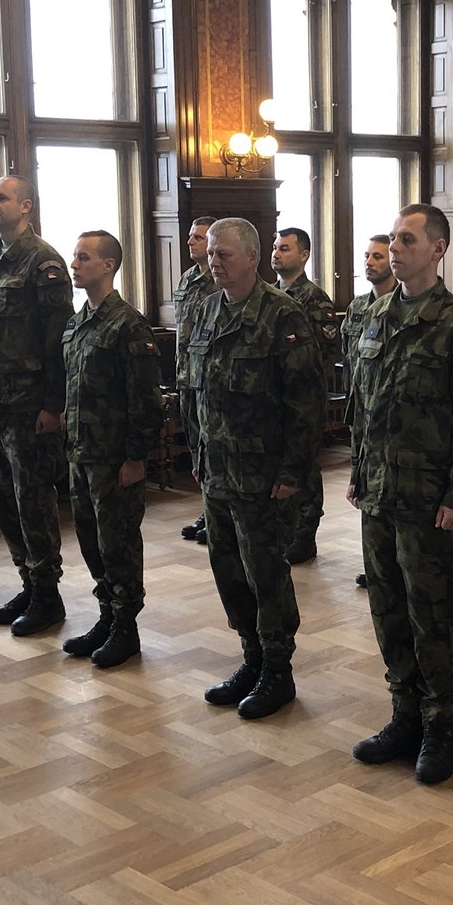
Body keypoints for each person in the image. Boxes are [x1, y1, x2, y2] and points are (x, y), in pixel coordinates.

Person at [347, 203, 453, 785]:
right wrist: (359, 470)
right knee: (387, 610)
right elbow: (363, 406)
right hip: (380, 495)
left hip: (430, 500)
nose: (395, 248)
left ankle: (441, 726)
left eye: (407, 240)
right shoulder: (375, 316)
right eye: (392, 239)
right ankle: (404, 715)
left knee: (431, 615)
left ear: (438, 248)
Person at [182, 218, 324, 719]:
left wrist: (292, 472)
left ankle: (278, 670)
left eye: (223, 254)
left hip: (263, 476)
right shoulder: (204, 311)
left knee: (265, 573)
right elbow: (191, 391)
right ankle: (252, 657)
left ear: (251, 257)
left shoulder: (282, 314)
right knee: (227, 570)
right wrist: (197, 454)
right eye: (210, 254)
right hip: (217, 470)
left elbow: (305, 402)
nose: (213, 262)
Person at [0, 175, 75, 636]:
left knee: (32, 499)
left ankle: (48, 593)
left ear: (26, 206)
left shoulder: (43, 262)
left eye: (2, 197)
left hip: (28, 405)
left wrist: (53, 404)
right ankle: (28, 583)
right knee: (0, 500)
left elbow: (58, 340)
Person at [58, 231, 165, 667]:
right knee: (90, 540)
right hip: (81, 454)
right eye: (74, 257)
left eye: (83, 257)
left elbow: (146, 399)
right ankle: (107, 615)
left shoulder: (128, 324)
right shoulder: (77, 323)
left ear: (108, 265)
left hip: (114, 457)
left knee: (118, 543)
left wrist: (136, 456)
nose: (74, 264)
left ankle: (126, 626)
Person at [272, 227, 338, 565]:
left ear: (304, 255)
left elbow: (323, 354)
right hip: (275, 401)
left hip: (305, 399)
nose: (277, 253)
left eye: (285, 248)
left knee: (305, 466)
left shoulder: (314, 299)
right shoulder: (268, 296)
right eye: (275, 247)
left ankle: (305, 533)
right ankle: (284, 528)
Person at [342, 234, 396, 590]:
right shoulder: (358, 308)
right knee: (366, 493)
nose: (369, 262)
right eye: (367, 256)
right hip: (362, 412)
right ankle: (374, 563)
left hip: (393, 420)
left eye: (378, 256)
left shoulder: (401, 306)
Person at [175, 216, 216, 546]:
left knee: (212, 447)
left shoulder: (220, 279)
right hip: (186, 376)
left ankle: (216, 515)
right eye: (190, 236)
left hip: (208, 380)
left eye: (198, 237)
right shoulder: (188, 278)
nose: (190, 241)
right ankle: (206, 508)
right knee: (195, 450)